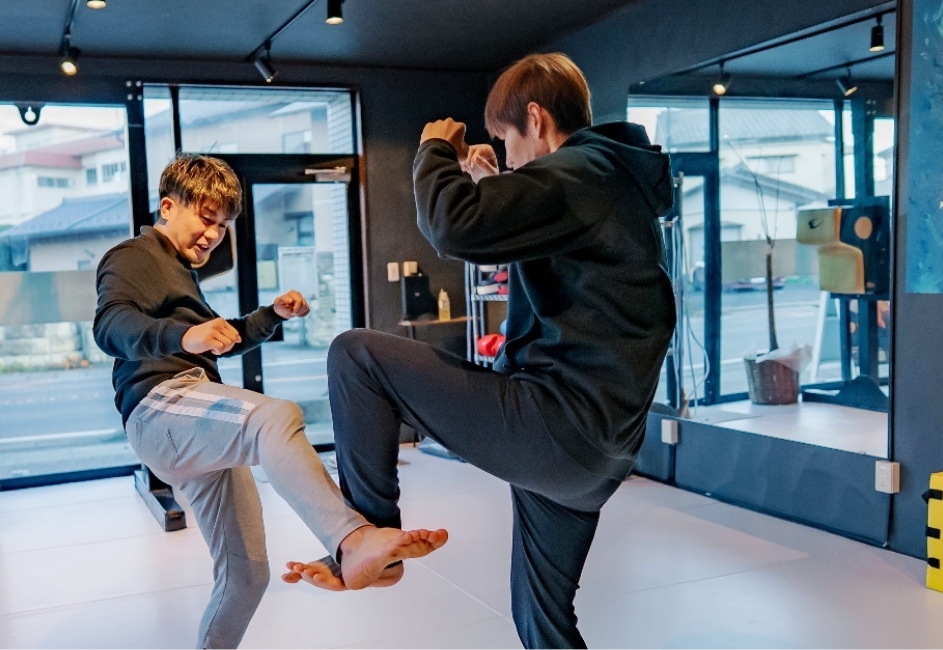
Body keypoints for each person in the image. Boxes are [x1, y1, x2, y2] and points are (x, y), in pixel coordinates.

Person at [284, 53, 676, 649]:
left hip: (556, 425)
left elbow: (453, 226)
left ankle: (368, 537)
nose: (510, 157)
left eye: (508, 140)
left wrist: (434, 150)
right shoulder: (611, 183)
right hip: (597, 454)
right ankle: (367, 546)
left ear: (536, 120)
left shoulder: (584, 172)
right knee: (541, 622)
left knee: (355, 356)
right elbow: (546, 253)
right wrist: (495, 186)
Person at [93, 155, 447, 650]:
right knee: (274, 417)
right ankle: (351, 540)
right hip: (161, 407)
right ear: (168, 207)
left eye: (222, 226)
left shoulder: (180, 272)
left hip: (196, 416)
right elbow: (109, 326)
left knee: (247, 577)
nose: (213, 235)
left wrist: (272, 315)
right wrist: (184, 336)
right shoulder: (135, 255)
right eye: (206, 218)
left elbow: (225, 338)